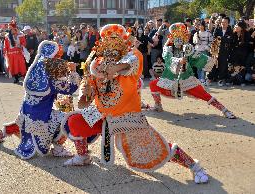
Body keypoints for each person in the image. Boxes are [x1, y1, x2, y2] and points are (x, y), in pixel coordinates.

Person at [62, 24, 209, 184]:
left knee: (154, 148)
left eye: (115, 38)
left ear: (123, 39)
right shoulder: (97, 59)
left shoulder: (132, 55)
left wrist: (113, 68)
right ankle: (82, 156)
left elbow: (128, 63)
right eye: (107, 39)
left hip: (126, 115)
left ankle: (194, 166)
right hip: (101, 113)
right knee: (74, 122)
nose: (111, 42)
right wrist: (86, 90)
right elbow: (91, 79)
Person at [0, 40, 81, 159]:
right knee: (66, 120)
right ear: (52, 59)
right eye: (58, 57)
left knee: (22, 124)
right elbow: (72, 87)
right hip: (42, 116)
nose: (60, 60)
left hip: (26, 110)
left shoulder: (35, 71)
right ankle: (58, 149)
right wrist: (73, 71)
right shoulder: (52, 79)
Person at [149, 22, 236, 119]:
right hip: (171, 78)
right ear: (172, 37)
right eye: (176, 36)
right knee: (153, 84)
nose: (178, 39)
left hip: (187, 79)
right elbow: (168, 59)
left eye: (181, 36)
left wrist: (210, 60)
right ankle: (158, 105)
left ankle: (224, 110)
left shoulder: (188, 48)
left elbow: (198, 57)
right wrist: (178, 60)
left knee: (204, 94)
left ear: (184, 37)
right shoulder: (167, 48)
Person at [208, 17, 233, 86]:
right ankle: (210, 79)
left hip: (225, 51)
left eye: (225, 22)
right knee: (213, 64)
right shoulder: (217, 29)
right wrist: (224, 39)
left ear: (228, 23)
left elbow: (230, 40)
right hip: (216, 50)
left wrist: (221, 38)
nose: (223, 23)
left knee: (223, 65)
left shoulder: (230, 30)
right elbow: (214, 38)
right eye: (222, 22)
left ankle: (221, 80)